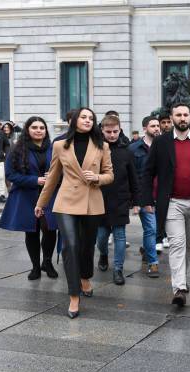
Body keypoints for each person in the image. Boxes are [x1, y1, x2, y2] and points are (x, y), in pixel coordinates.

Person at [35, 107, 114, 319]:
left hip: (92, 202)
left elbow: (110, 175)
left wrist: (97, 177)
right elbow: (52, 176)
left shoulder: (102, 145)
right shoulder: (60, 145)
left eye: (91, 118)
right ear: (74, 120)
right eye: (84, 117)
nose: (88, 121)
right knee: (70, 245)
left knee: (87, 246)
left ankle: (86, 276)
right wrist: (41, 202)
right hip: (66, 202)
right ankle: (73, 295)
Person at [141, 103, 190, 307]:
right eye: (178, 114)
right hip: (172, 203)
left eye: (185, 114)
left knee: (189, 245)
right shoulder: (161, 143)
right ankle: (179, 288)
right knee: (178, 244)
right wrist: (146, 200)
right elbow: (148, 171)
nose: (182, 118)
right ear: (171, 118)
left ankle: (182, 277)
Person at [0, 116, 58, 280]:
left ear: (46, 131)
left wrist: (53, 176)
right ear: (28, 130)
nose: (39, 130)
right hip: (26, 196)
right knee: (32, 231)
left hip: (49, 196)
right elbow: (10, 175)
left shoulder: (54, 149)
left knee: (50, 229)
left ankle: (47, 262)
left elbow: (63, 171)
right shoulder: (16, 149)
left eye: (42, 128)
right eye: (35, 127)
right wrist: (35, 180)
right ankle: (35, 267)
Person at [96, 115, 140, 285]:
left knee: (120, 235)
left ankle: (118, 269)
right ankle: (104, 254)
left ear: (120, 130)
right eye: (108, 132)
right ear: (102, 131)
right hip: (100, 199)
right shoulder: (96, 149)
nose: (112, 135)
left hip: (121, 199)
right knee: (101, 237)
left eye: (115, 131)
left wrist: (136, 201)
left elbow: (133, 178)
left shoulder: (126, 151)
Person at [129, 116, 161, 277]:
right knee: (151, 229)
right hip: (143, 197)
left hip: (161, 196)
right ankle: (153, 263)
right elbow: (132, 176)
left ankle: (146, 249)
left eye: (158, 125)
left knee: (155, 230)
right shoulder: (134, 149)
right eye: (153, 126)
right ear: (144, 128)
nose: (156, 128)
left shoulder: (164, 146)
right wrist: (135, 201)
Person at [155, 110, 173, 251]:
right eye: (163, 123)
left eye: (168, 122)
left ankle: (165, 235)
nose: (166, 125)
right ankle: (159, 237)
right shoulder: (158, 141)